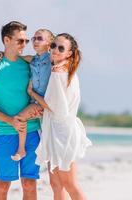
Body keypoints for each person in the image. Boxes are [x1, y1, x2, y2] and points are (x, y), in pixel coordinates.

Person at [0, 21, 42, 200]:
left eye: (26, 41)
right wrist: (10, 120)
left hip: (32, 132)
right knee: (2, 185)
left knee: (29, 184)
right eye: (20, 41)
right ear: (6, 40)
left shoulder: (29, 65)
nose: (24, 45)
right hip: (5, 133)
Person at [34, 33, 92, 200]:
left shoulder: (60, 72)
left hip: (63, 134)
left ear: (69, 53)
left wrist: (32, 93)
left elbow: (54, 109)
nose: (55, 50)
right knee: (56, 184)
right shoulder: (63, 68)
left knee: (69, 184)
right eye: (53, 46)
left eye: (61, 48)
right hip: (56, 132)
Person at [0, 28, 55, 161]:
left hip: (45, 103)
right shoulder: (32, 60)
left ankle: (21, 150)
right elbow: (16, 57)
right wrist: (1, 54)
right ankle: (37, 152)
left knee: (21, 118)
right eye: (33, 38)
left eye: (40, 38)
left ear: (50, 43)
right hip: (35, 103)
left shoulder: (52, 60)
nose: (35, 41)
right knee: (35, 126)